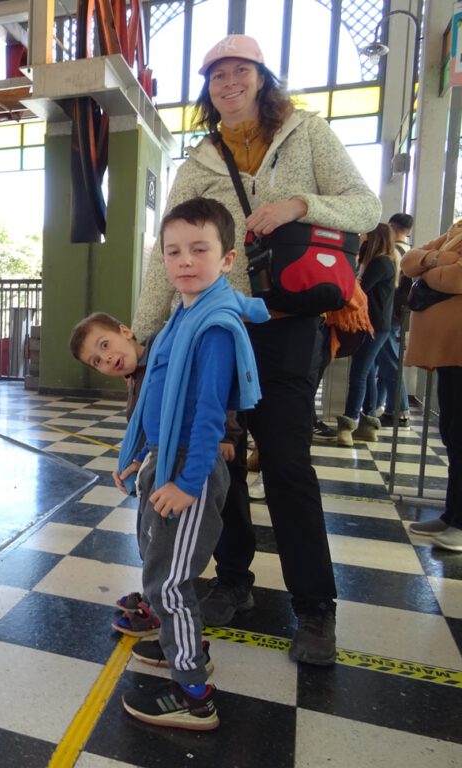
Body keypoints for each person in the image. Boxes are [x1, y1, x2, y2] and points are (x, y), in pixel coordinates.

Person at [131, 34, 381, 666]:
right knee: (221, 456)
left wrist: (301, 203)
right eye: (217, 76)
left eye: (240, 71)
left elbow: (367, 207)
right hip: (214, 324)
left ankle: (315, 608)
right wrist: (143, 330)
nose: (229, 83)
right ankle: (234, 580)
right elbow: (166, 251)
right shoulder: (198, 161)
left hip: (286, 320)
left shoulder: (307, 134)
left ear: (263, 78)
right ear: (208, 91)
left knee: (288, 463)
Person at [116, 197, 267, 731]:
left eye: (199, 250)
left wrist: (187, 482)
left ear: (226, 259)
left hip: (189, 469)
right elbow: (156, 396)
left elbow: (207, 418)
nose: (184, 261)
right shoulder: (182, 316)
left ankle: (194, 692)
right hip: (166, 460)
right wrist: (138, 454)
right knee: (157, 563)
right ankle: (178, 644)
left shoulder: (215, 325)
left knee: (171, 582)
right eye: (173, 251)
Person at [69, 312, 242, 640]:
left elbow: (212, 388)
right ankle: (154, 597)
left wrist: (227, 435)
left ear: (125, 330)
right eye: (96, 361)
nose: (106, 358)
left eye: (105, 345)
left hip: (188, 463)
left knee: (172, 546)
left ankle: (171, 621)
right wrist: (134, 462)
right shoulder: (136, 374)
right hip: (161, 463)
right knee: (152, 536)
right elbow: (149, 426)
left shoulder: (164, 356)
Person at [402, 220, 462, 551]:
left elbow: (457, 278)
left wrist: (431, 263)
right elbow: (410, 259)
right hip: (450, 354)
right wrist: (435, 260)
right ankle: (452, 513)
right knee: (452, 434)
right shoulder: (459, 227)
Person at [337, 223, 395, 447]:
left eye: (364, 235)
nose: (360, 238)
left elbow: (359, 288)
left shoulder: (379, 263)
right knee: (368, 371)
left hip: (374, 326)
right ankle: (369, 423)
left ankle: (348, 423)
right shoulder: (385, 261)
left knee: (359, 373)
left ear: (373, 238)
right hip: (377, 325)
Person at [372, 212, 414, 426]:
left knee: (389, 361)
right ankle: (380, 405)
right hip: (400, 314)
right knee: (384, 360)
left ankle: (400, 410)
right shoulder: (411, 252)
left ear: (391, 226)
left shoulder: (391, 252)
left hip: (387, 314)